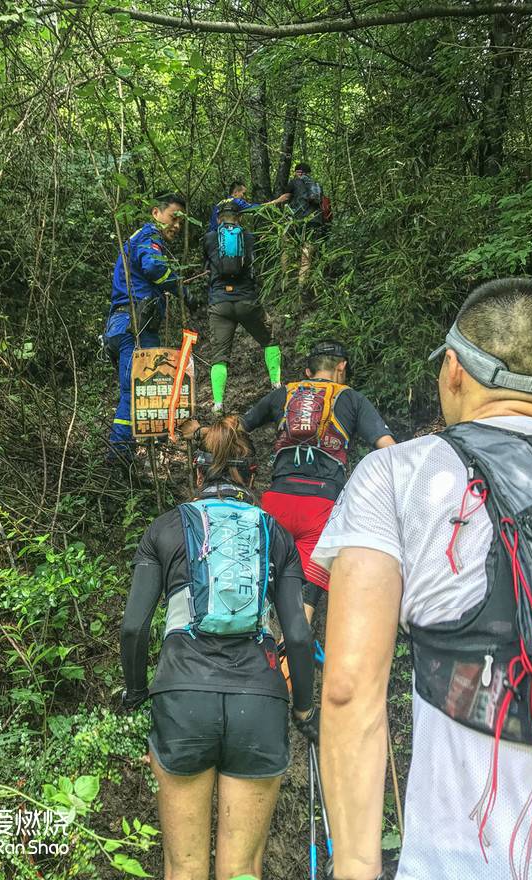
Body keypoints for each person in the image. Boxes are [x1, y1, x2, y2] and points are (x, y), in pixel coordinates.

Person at [312, 278, 532, 880]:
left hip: (456, 862)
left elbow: (348, 688)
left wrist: (356, 868)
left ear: (453, 370)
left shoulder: (399, 474)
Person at [120, 415, 317, 880]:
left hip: (183, 698)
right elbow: (300, 635)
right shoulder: (277, 535)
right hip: (260, 700)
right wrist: (304, 710)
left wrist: (135, 693)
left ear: (195, 474)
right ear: (252, 476)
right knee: (242, 869)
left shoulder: (166, 529)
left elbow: (133, 628)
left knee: (184, 867)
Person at [241, 340, 394, 624]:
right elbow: (388, 448)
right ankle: (292, 661)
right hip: (322, 507)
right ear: (342, 367)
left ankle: (257, 654)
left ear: (308, 371)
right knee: (304, 603)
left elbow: (236, 429)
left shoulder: (284, 393)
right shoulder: (352, 398)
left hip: (277, 501)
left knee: (267, 589)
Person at [104, 193, 185, 463]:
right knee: (136, 392)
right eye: (174, 217)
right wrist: (178, 287)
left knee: (140, 391)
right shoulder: (149, 237)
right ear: (156, 213)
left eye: (181, 221)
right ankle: (118, 455)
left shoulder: (137, 238)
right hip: (134, 327)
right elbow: (152, 267)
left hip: (122, 325)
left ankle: (138, 448)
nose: (177, 225)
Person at [204, 201, 281, 413]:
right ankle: (276, 384)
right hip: (247, 300)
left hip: (220, 303)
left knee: (219, 356)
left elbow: (207, 266)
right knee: (269, 339)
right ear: (240, 219)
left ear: (219, 219)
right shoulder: (248, 236)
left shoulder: (209, 238)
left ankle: (218, 403)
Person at [279, 162, 326, 288]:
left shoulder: (294, 182)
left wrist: (271, 203)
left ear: (298, 172)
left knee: (286, 248)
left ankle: (285, 281)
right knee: (307, 254)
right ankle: (301, 286)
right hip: (314, 221)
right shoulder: (317, 185)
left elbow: (286, 197)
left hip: (296, 220)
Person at [208, 179, 287, 232]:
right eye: (243, 193)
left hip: (211, 234)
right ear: (235, 192)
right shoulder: (237, 202)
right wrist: (277, 201)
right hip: (224, 236)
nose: (244, 196)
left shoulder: (220, 202)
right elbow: (256, 208)